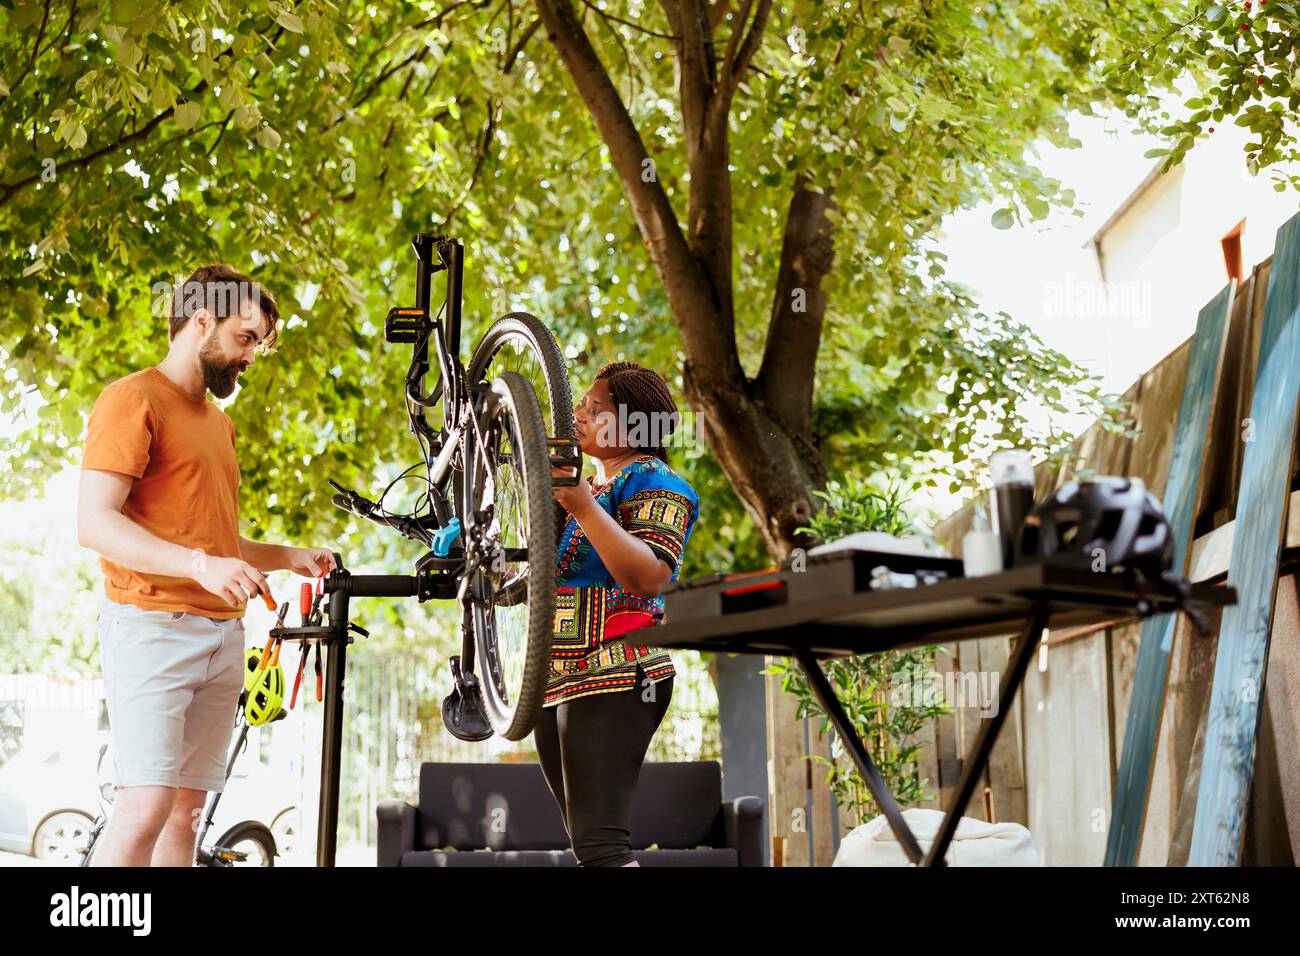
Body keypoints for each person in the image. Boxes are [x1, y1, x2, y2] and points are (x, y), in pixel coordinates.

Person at [76, 265, 336, 867]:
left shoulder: (217, 424)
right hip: (151, 629)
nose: (250, 356)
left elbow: (212, 538)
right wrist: (200, 564)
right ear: (201, 322)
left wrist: (289, 557)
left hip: (223, 636)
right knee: (144, 808)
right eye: (245, 338)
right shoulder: (132, 399)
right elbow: (96, 524)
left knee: (186, 818)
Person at [538, 361, 700, 866]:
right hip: (559, 675)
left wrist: (582, 506)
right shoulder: (586, 486)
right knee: (591, 848)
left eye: (595, 407)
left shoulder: (656, 478)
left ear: (635, 425)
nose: (578, 413)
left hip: (620, 668)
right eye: (580, 404)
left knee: (602, 846)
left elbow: (650, 577)